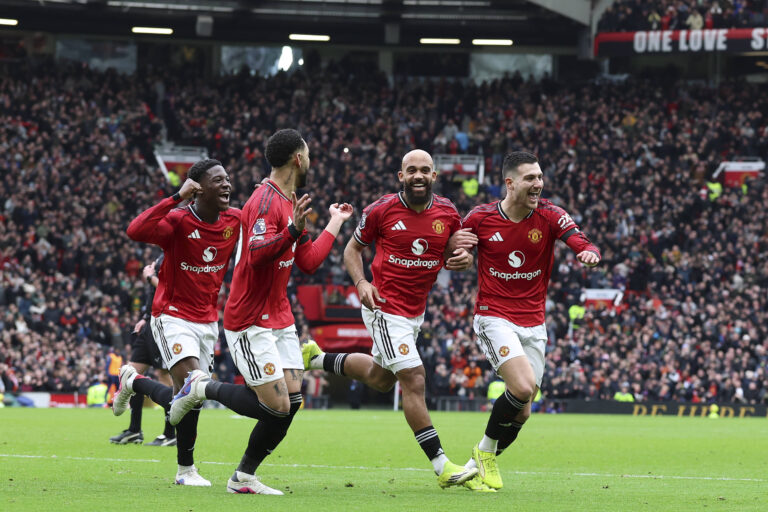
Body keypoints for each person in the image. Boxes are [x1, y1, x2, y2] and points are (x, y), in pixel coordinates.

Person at [169, 129, 353, 495]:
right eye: (308, 155)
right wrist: (292, 230)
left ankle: (243, 477)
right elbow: (255, 256)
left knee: (292, 403)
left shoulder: (290, 200)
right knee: (276, 407)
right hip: (250, 319)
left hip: (280, 317)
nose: (311, 161)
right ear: (298, 159)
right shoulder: (265, 200)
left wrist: (334, 221)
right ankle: (200, 386)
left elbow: (308, 261)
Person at [302, 149, 486, 491]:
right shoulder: (381, 210)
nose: (418, 175)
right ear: (401, 176)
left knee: (381, 378)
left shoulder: (447, 212)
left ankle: (316, 359)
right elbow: (351, 250)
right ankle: (442, 465)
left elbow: (452, 251)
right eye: (411, 170)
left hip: (415, 312)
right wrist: (361, 283)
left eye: (425, 170)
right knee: (414, 378)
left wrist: (462, 258)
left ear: (433, 176)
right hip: (383, 307)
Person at [460, 151, 601, 490]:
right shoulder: (480, 217)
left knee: (522, 410)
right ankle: (485, 454)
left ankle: (470, 468)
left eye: (540, 177)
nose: (538, 183)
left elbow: (580, 240)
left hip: (534, 323)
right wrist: (459, 255)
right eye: (530, 178)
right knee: (522, 389)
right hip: (494, 315)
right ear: (510, 183)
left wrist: (589, 252)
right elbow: (456, 246)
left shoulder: (551, 215)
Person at [112, 158, 241, 486]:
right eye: (218, 180)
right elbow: (135, 230)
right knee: (192, 385)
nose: (226, 184)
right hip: (172, 316)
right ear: (198, 189)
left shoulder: (234, 220)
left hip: (207, 321)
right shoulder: (179, 219)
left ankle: (133, 381)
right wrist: (176, 197)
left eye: (227, 179)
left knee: (191, 397)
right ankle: (186, 471)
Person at [109, 255, 176, 447]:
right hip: (150, 323)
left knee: (164, 375)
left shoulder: (175, 256)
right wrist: (145, 317)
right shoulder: (163, 256)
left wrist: (149, 277)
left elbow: (170, 289)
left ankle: (170, 433)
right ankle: (134, 430)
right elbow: (154, 294)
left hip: (164, 323)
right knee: (131, 375)